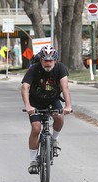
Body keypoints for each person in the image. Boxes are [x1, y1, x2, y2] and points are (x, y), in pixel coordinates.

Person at [21, 45, 72, 174]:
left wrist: (68, 106)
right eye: (45, 60)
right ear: (41, 60)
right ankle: (33, 161)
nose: (48, 63)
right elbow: (25, 88)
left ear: (55, 60)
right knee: (36, 128)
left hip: (52, 100)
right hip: (35, 102)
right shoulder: (34, 69)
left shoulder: (60, 68)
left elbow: (65, 87)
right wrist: (28, 106)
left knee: (59, 118)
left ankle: (54, 139)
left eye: (50, 60)